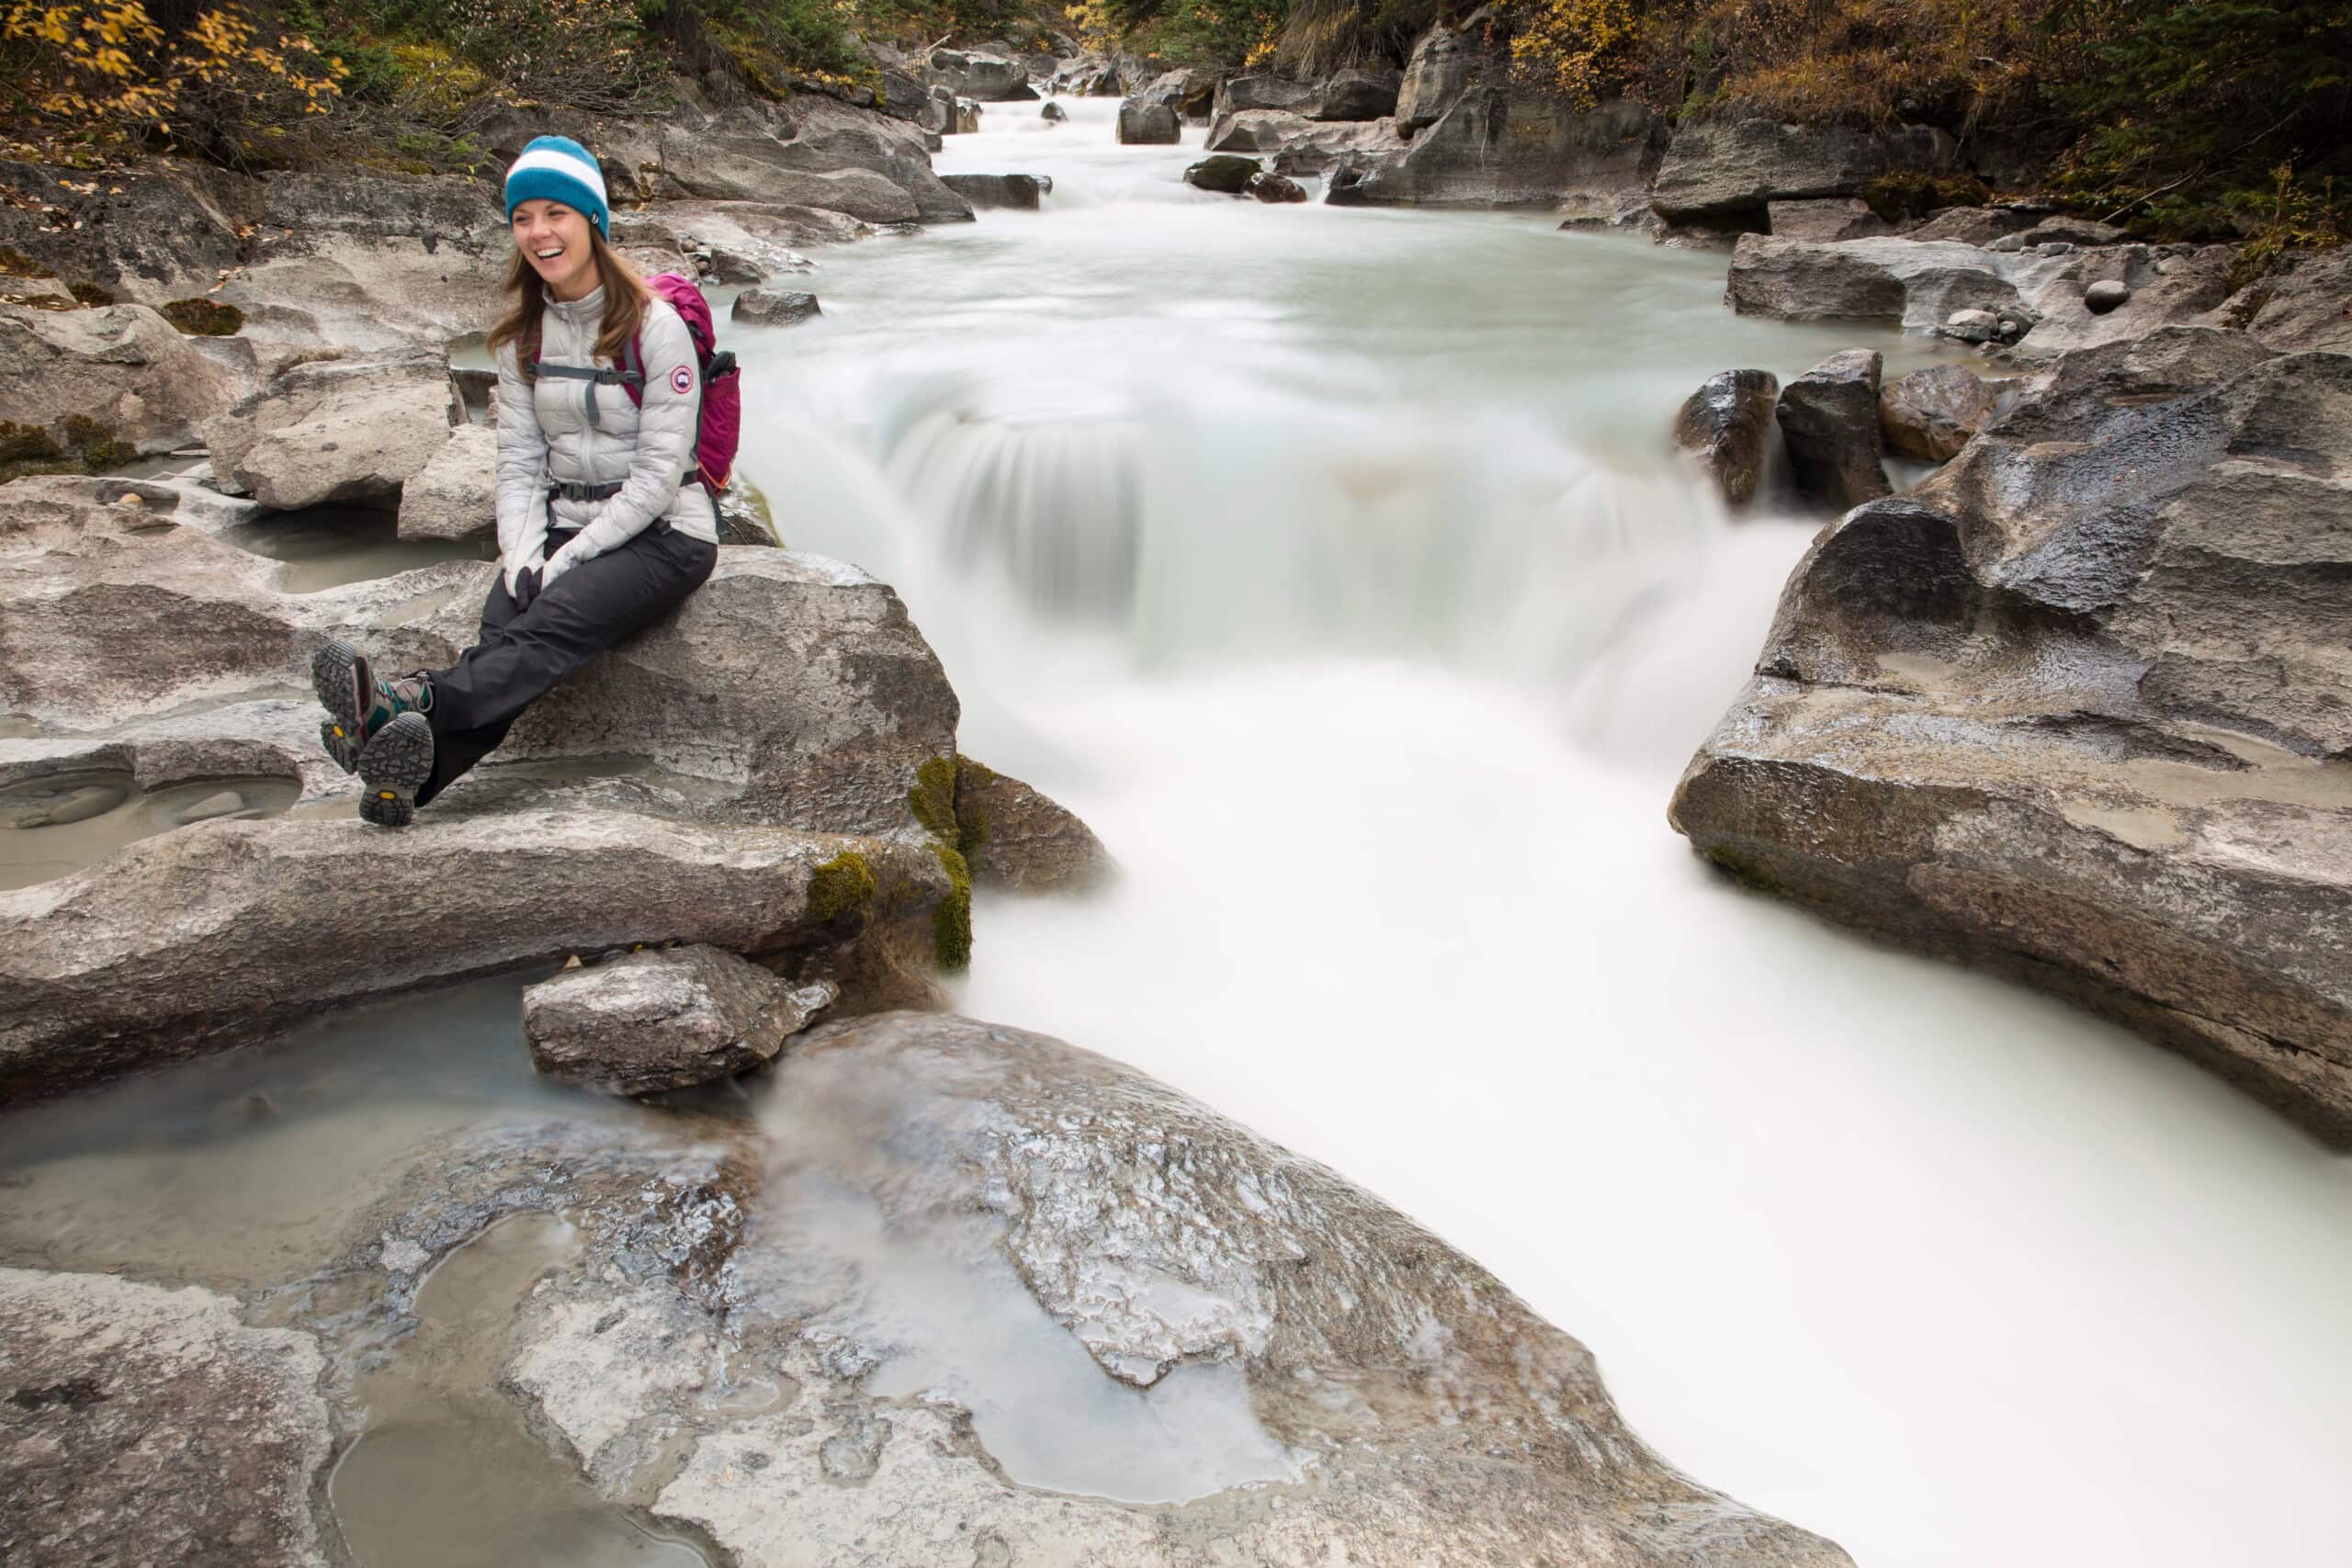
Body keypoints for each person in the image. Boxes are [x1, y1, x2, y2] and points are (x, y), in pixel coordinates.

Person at [311, 135, 719, 827]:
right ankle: (405, 779)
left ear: (592, 220)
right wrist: (524, 552)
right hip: (563, 521)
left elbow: (656, 476)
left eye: (555, 213)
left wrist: (570, 559)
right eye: (523, 216)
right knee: (503, 640)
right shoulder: (521, 338)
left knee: (546, 628)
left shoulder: (656, 327)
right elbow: (520, 463)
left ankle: (407, 700)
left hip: (663, 532)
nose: (539, 232)